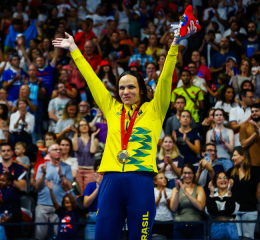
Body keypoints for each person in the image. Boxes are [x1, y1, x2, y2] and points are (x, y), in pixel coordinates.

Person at [52, 21, 197, 239]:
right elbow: (92, 80)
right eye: (121, 87)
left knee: (140, 237)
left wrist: (175, 43)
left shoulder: (155, 109)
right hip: (110, 180)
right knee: (103, 236)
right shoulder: (111, 108)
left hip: (140, 180)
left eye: (131, 87)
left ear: (142, 89)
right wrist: (74, 49)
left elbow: (166, 77)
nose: (125, 91)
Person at [34, 144, 74, 240]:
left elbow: (69, 187)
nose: (59, 151)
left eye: (60, 149)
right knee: (40, 236)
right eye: (55, 149)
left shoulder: (67, 167)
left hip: (60, 206)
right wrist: (43, 173)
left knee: (60, 235)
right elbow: (37, 187)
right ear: (49, 153)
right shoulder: (42, 167)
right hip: (43, 204)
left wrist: (61, 174)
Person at [240, 103, 260, 209]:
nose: (254, 113)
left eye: (256, 111)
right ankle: (253, 215)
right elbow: (244, 144)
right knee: (250, 192)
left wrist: (259, 130)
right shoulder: (244, 126)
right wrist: (254, 134)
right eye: (252, 111)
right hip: (249, 165)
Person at [228, 148, 260, 239]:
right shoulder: (230, 171)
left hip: (250, 210)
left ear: (243, 157)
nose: (232, 158)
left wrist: (253, 201)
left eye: (235, 155)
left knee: (248, 237)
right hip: (234, 211)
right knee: (236, 237)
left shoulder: (254, 172)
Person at [170, 163, 206, 239]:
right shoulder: (175, 189)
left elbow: (200, 207)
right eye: (185, 173)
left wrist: (185, 192)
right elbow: (173, 208)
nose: (187, 175)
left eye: (189, 173)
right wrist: (178, 190)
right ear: (182, 175)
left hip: (196, 226)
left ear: (193, 174)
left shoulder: (199, 189)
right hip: (179, 226)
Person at [205, 171, 239, 239]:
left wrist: (229, 191)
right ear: (214, 182)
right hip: (216, 226)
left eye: (225, 177)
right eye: (219, 178)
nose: (223, 180)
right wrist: (211, 192)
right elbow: (211, 212)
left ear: (229, 180)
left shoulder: (234, 195)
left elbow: (230, 211)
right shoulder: (212, 196)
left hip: (230, 226)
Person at [0, 172, 22, 240]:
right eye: (0, 180)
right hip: (1, 211)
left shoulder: (9, 191)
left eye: (3, 181)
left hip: (6, 213)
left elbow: (2, 201)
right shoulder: (3, 189)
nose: (1, 182)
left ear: (9, 182)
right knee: (1, 230)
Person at [72, 120, 99, 195]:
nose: (84, 126)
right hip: (78, 170)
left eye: (86, 125)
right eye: (81, 125)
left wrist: (93, 136)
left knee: (89, 193)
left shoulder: (95, 140)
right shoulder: (75, 139)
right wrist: (75, 133)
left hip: (90, 170)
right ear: (78, 128)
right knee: (78, 193)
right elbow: (75, 148)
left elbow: (93, 150)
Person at [83, 162, 102, 240]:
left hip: (107, 217)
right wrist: (98, 188)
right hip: (92, 220)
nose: (100, 171)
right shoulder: (90, 185)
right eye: (97, 169)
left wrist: (102, 185)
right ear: (95, 172)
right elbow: (86, 203)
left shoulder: (111, 185)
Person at [152, 172, 173, 239]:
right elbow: (152, 207)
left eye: (164, 178)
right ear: (155, 182)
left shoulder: (171, 191)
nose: (164, 179)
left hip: (168, 220)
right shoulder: (152, 191)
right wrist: (159, 198)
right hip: (156, 220)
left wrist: (166, 197)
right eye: (161, 178)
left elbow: (171, 208)